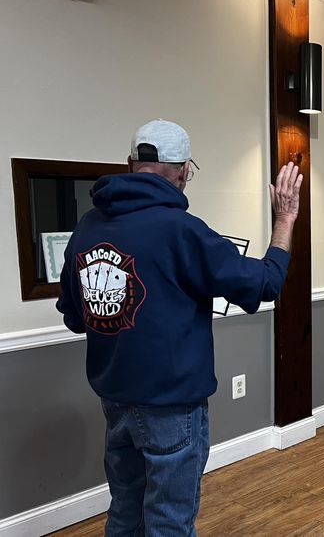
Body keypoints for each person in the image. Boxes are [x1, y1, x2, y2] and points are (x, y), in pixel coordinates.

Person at [56, 119, 302, 534]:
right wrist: (285, 220)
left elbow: (75, 317)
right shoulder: (183, 230)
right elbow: (265, 283)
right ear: (184, 171)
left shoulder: (88, 227)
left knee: (125, 510)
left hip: (114, 401)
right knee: (169, 521)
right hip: (171, 406)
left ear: (130, 163)